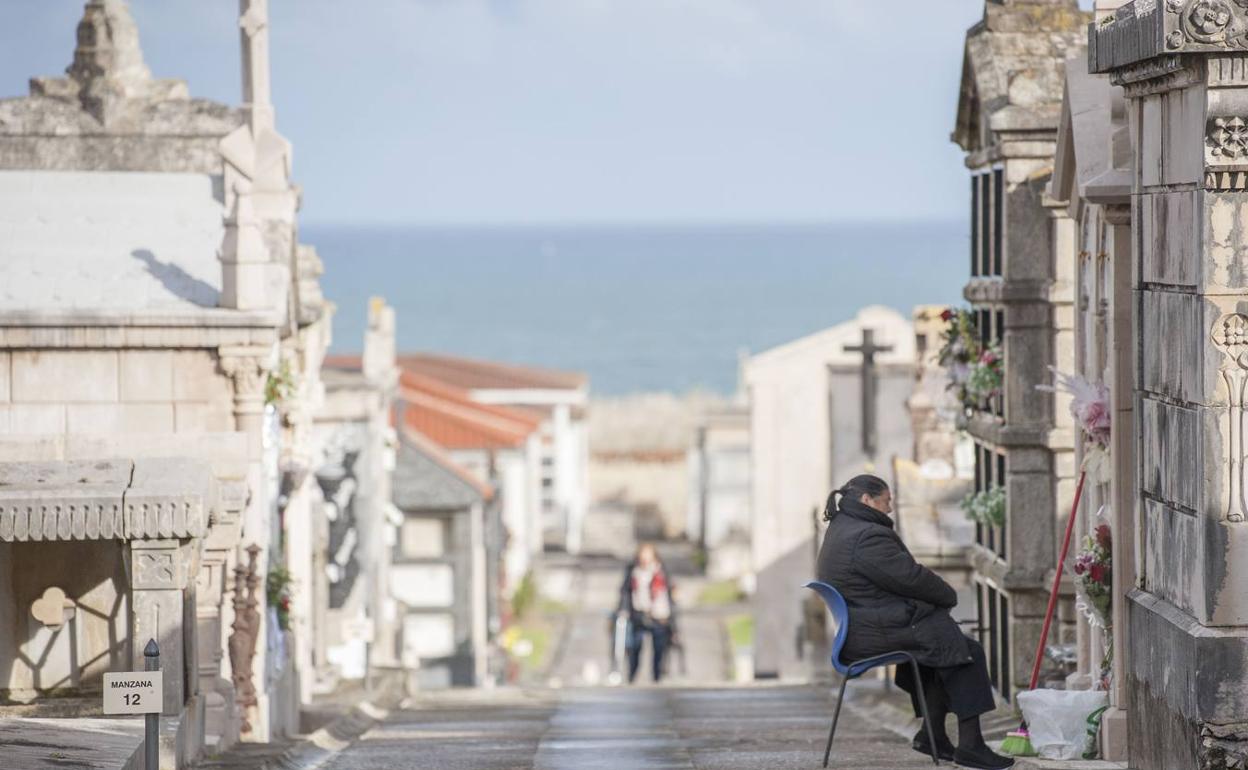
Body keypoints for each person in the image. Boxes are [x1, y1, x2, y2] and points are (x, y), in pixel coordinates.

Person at [816, 474, 1013, 770]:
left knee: (937, 650)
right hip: (872, 632)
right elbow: (909, 577)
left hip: (865, 626)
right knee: (967, 652)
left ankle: (931, 735)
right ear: (866, 500)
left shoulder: (843, 527)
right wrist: (946, 595)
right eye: (886, 501)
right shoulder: (866, 537)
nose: (890, 509)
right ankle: (971, 745)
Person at [617, 542, 676, 684]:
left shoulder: (661, 571)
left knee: (659, 648)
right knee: (635, 647)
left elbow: (668, 592)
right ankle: (632, 675)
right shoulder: (633, 571)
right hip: (639, 613)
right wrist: (623, 609)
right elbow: (625, 591)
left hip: (659, 615)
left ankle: (657, 677)